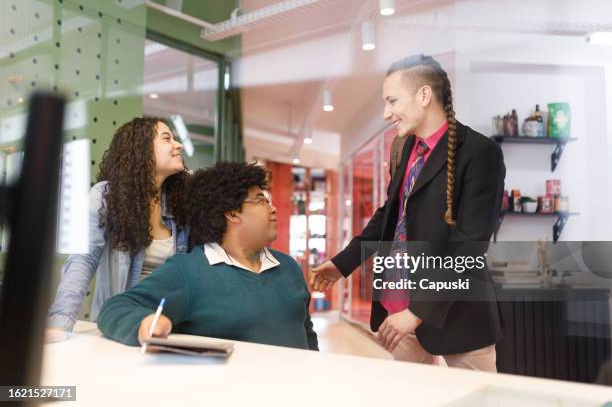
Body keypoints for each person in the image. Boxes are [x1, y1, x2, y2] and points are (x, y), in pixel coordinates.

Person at [311, 54, 505, 371]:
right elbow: (391, 215)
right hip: (396, 307)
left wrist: (417, 312)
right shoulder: (402, 148)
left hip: (457, 315)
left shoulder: (481, 153)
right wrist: (342, 264)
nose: (387, 113)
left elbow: (469, 244)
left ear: (424, 95)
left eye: (392, 101)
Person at [97, 162, 318, 351]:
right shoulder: (188, 271)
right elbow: (115, 308)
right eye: (261, 200)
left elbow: (307, 333)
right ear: (232, 213)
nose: (273, 209)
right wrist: (145, 323)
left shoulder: (289, 267)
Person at [47, 117, 189, 332]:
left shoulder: (183, 203)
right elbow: (83, 260)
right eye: (167, 138)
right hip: (121, 325)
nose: (178, 145)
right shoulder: (107, 196)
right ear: (142, 149)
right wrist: (60, 324)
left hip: (174, 327)